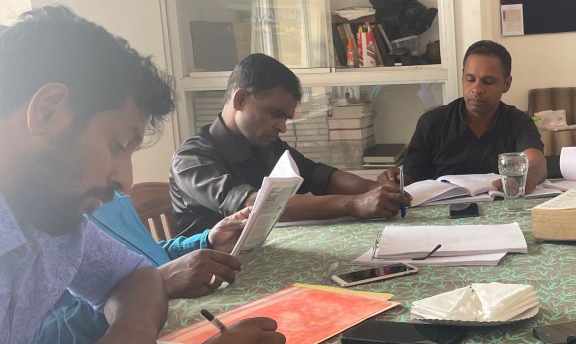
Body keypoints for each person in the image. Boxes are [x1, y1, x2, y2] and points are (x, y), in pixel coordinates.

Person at [0, 5, 284, 344]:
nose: (125, 179)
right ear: (47, 112)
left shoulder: (53, 221)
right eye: (117, 144)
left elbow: (136, 275)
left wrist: (128, 333)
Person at [15, 197, 251, 344]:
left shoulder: (107, 191)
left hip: (161, 343)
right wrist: (154, 284)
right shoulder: (25, 216)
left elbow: (139, 255)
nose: (125, 179)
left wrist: (203, 242)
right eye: (116, 151)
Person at [170, 53, 409, 236]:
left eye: (285, 118)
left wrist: (378, 190)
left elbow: (321, 176)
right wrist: (355, 204)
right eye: (275, 114)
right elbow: (259, 205)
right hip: (213, 276)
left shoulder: (265, 144)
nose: (282, 127)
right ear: (241, 99)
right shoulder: (191, 159)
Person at [400, 40, 547, 193]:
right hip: (445, 206)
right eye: (470, 79)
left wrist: (527, 177)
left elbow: (536, 161)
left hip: (502, 204)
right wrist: (394, 182)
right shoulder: (433, 123)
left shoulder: (519, 122)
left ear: (506, 84)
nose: (476, 89)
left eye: (488, 82)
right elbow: (411, 178)